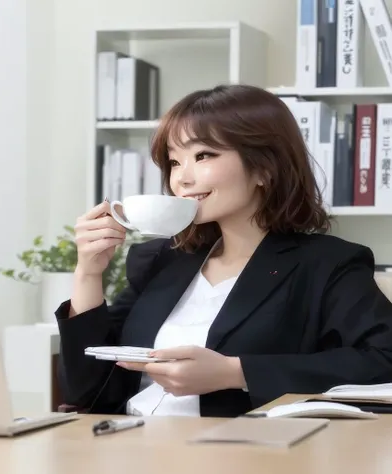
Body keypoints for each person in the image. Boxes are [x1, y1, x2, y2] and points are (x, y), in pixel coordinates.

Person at [55, 84, 392, 418]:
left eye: (203, 155)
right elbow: (86, 390)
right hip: (127, 446)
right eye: (174, 162)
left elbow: (383, 359)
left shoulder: (326, 264)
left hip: (240, 452)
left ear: (264, 167)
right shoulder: (161, 260)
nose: (181, 179)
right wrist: (88, 272)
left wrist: (235, 373)